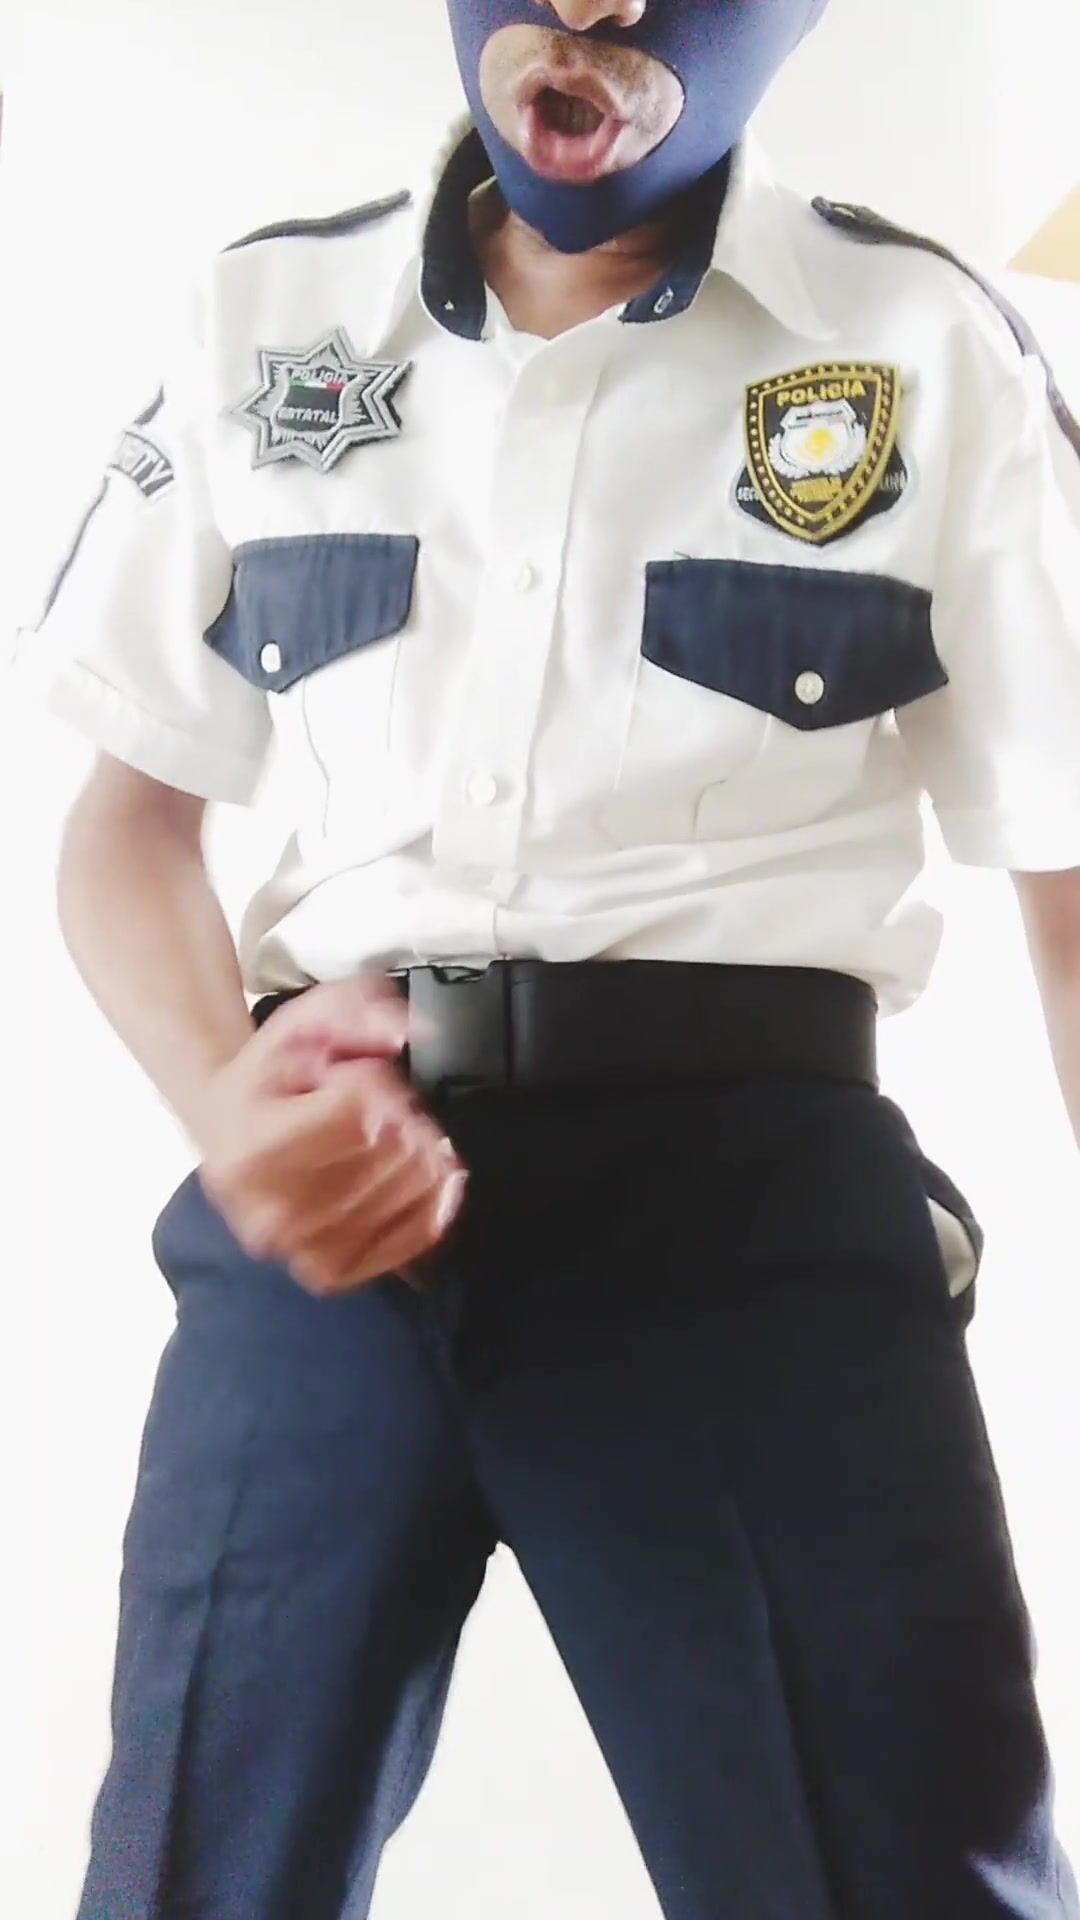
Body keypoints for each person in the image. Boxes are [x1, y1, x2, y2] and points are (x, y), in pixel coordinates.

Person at [24, 1, 1080, 1916]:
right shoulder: (269, 318)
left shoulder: (928, 343)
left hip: (753, 1229)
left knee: (903, 1876)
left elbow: (1074, 892)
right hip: (327, 1208)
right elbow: (129, 822)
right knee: (194, 1874)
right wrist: (226, 1106)